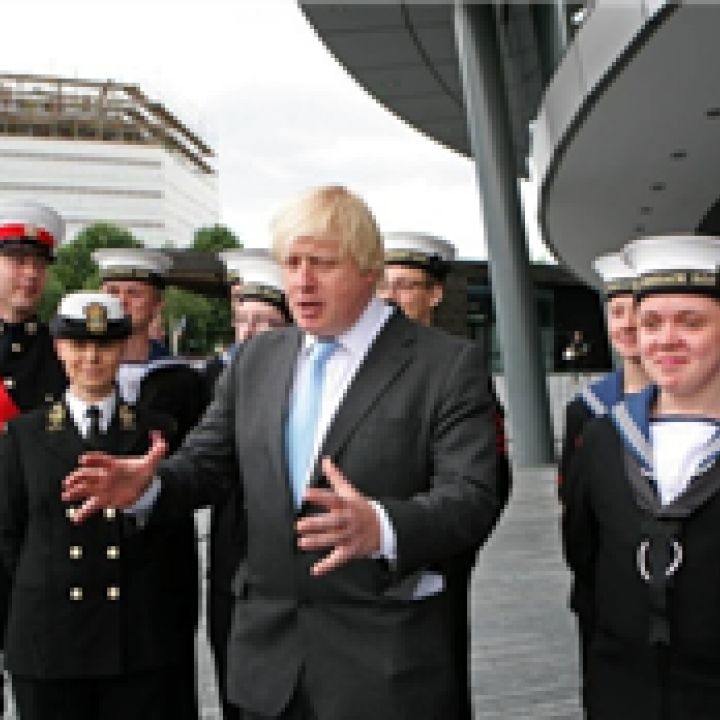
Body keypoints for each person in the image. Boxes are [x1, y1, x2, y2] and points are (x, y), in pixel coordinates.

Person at [62, 185, 503, 720]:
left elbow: (473, 496)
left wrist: (383, 526)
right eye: (291, 263)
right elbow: (207, 461)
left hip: (384, 671)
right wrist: (149, 486)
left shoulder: (444, 366)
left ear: (369, 271)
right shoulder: (257, 360)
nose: (301, 280)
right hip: (269, 669)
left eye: (321, 263)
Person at [0, 292, 180, 720]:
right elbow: (7, 538)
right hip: (49, 642)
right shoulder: (23, 436)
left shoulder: (156, 433)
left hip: (133, 643)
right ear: (59, 349)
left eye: (104, 345)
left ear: (121, 348)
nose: (91, 358)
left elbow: (173, 548)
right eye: (78, 345)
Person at [563, 233, 720, 718]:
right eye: (651, 323)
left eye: (690, 322)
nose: (666, 339)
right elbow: (584, 561)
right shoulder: (605, 439)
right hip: (625, 691)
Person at [377, 230, 511, 718]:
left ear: (434, 294)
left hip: (430, 568)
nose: (391, 298)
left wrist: (445, 559)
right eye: (384, 286)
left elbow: (492, 476)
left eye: (406, 286)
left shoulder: (456, 367)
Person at [92, 247, 206, 719]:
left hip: (161, 553)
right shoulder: (76, 372)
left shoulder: (185, 382)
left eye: (133, 293)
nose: (121, 302)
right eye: (112, 292)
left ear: (157, 303)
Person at [558, 250, 649, 709]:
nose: (629, 324)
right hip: (606, 598)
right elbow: (576, 518)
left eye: (639, 312)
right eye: (617, 312)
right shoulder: (587, 410)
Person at [205, 249, 291, 720]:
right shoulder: (220, 384)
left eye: (264, 321)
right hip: (233, 561)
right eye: (242, 320)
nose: (249, 333)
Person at [0, 201, 67, 717]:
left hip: (35, 555)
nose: (28, 274)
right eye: (15, 259)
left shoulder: (63, 355)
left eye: (38, 264)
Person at [204, 248, 291, 387]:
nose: (247, 332)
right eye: (242, 320)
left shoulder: (300, 380)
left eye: (261, 320)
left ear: (286, 327)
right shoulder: (216, 376)